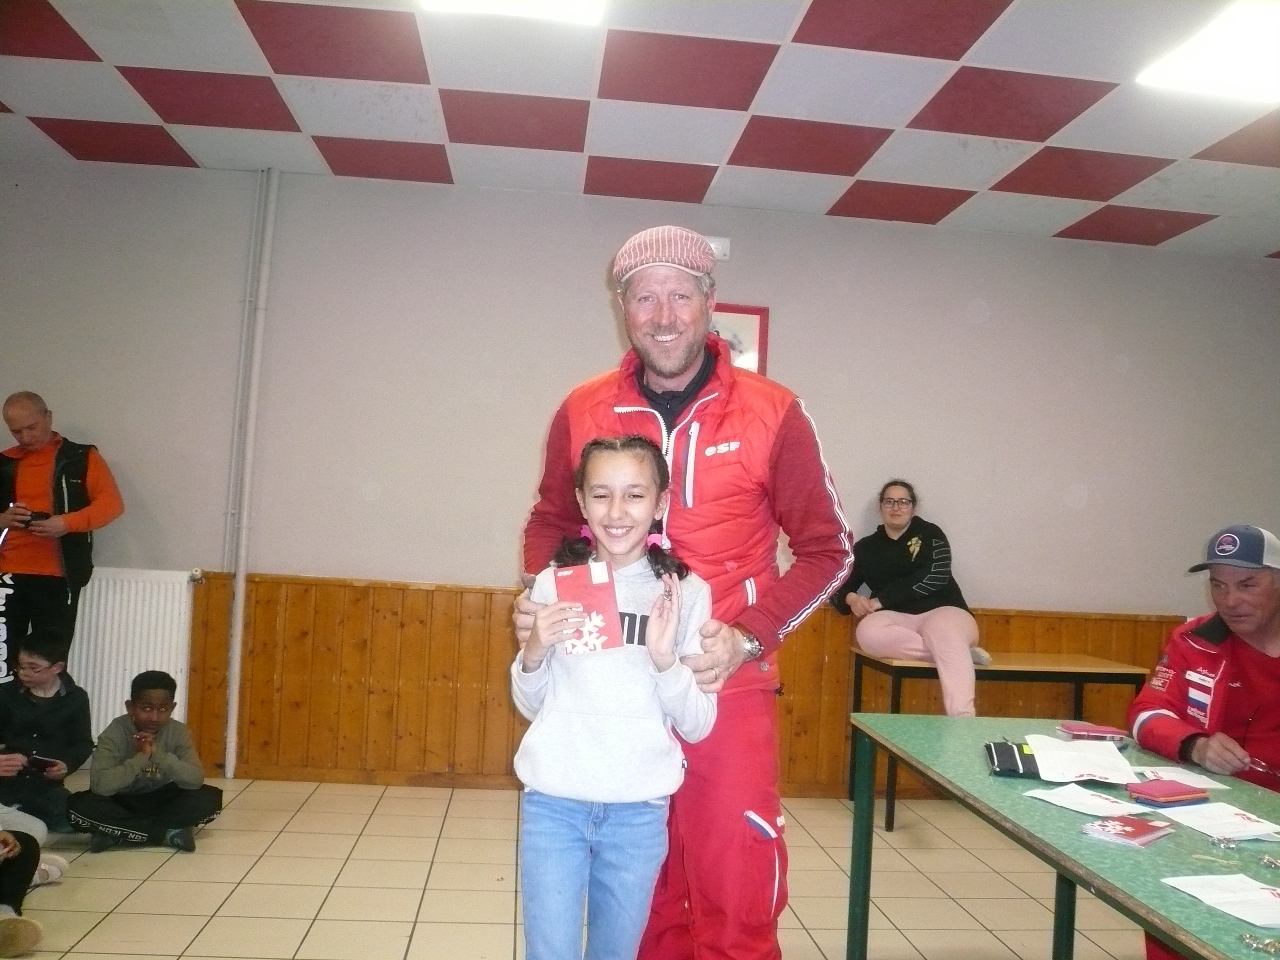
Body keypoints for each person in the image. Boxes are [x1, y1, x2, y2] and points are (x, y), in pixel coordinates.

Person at [519, 226, 852, 960]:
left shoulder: (774, 412)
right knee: (641, 898)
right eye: (645, 297)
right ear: (623, 307)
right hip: (613, 690)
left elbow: (830, 551)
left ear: (709, 301)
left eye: (679, 295)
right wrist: (547, 598)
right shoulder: (582, 409)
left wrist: (748, 637)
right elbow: (550, 521)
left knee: (735, 883)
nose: (663, 316)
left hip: (721, 685)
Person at [513, 435, 716, 960]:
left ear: (661, 503)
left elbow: (698, 724)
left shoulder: (685, 592)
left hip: (637, 813)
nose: (617, 511)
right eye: (601, 495)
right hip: (553, 804)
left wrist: (665, 661)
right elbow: (532, 705)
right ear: (581, 502)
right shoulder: (554, 584)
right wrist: (533, 652)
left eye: (635, 495)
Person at [1129, 524, 1280, 960]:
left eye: (1247, 585)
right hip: (1209, 813)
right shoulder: (1194, 640)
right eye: (1218, 585)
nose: (1229, 601)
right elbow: (1146, 714)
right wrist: (1194, 744)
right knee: (1174, 917)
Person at [830, 480, 986, 716]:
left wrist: (880, 601)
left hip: (945, 611)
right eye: (889, 501)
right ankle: (959, 653)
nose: (896, 507)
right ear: (880, 507)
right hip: (898, 619)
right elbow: (837, 587)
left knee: (942, 632)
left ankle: (962, 720)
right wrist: (851, 598)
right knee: (867, 632)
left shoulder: (931, 534)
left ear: (913, 507)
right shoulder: (865, 548)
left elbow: (936, 576)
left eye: (903, 502)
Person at [0, 391, 124, 683]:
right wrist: (3, 519)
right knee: (3, 659)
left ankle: (44, 710)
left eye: (31, 427)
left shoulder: (81, 458)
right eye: (16, 431)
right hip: (7, 573)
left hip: (59, 574)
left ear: (49, 417)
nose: (25, 437)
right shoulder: (4, 462)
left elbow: (112, 505)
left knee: (48, 660)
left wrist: (65, 524)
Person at [67, 670, 221, 853]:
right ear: (130, 707)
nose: (154, 717)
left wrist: (158, 755)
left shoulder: (178, 731)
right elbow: (101, 786)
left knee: (210, 799)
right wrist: (142, 758)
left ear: (172, 708)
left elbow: (194, 780)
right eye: (146, 709)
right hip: (120, 799)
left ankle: (119, 832)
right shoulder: (114, 732)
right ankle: (166, 833)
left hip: (160, 798)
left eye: (162, 709)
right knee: (78, 806)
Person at [0, 630, 93, 830]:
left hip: (45, 786)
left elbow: (83, 743)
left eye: (33, 668)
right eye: (20, 666)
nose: (24, 673)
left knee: (77, 819)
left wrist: (66, 765)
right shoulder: (6, 694)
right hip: (5, 782)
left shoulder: (75, 698)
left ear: (57, 667)